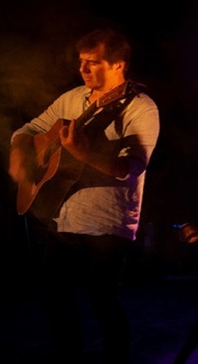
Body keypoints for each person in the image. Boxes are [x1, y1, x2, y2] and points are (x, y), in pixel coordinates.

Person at [8, 27, 160, 363]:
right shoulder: (73, 98)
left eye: (93, 62)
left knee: (104, 303)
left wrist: (84, 153)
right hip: (63, 216)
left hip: (108, 223)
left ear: (118, 65)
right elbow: (28, 130)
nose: (83, 69)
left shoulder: (141, 108)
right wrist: (19, 155)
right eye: (81, 62)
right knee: (55, 299)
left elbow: (132, 166)